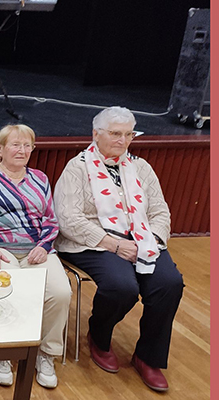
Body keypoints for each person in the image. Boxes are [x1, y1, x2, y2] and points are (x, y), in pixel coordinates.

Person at [54, 107, 182, 392]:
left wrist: (153, 242)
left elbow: (160, 211)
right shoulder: (78, 167)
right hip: (92, 242)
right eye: (115, 134)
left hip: (141, 239)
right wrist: (115, 244)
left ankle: (148, 356)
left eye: (128, 134)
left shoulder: (141, 167)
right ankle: (99, 337)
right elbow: (68, 219)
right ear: (95, 134)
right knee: (121, 286)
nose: (122, 141)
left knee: (169, 283)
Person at [0, 124, 70, 389]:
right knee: (11, 288)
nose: (21, 150)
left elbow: (50, 220)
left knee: (60, 292)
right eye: (15, 144)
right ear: (0, 148)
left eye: (27, 145)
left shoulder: (40, 179)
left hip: (36, 249)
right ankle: (4, 353)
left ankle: (45, 353)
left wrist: (44, 246)